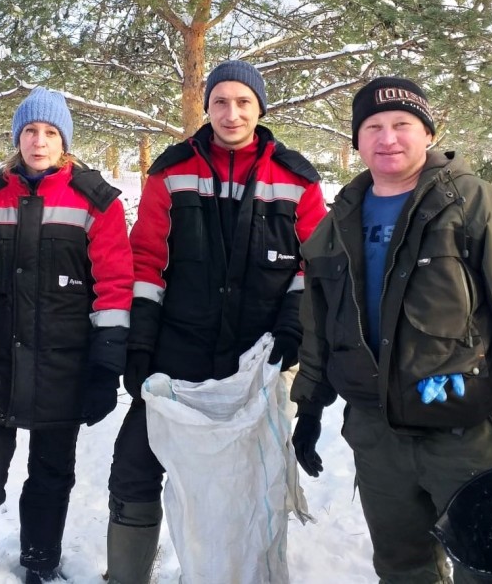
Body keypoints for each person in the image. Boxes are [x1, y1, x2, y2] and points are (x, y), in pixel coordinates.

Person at [290, 76, 492, 583]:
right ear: (356, 140)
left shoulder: (476, 206)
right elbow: (320, 326)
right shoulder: (336, 223)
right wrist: (310, 407)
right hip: (377, 439)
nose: (388, 139)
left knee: (490, 569)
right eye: (373, 127)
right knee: (403, 570)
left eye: (402, 124)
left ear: (427, 132)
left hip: (465, 434)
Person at [106, 60, 328, 584]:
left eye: (243, 101)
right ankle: (126, 575)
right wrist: (139, 343)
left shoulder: (296, 179)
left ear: (260, 108)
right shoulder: (172, 170)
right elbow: (147, 263)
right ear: (206, 106)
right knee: (134, 466)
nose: (232, 113)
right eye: (221, 101)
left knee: (246, 480)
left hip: (257, 358)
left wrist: (293, 328)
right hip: (176, 352)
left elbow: (313, 266)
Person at [0, 87, 134, 584]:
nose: (39, 141)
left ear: (64, 141)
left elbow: (114, 286)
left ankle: (40, 563)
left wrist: (106, 363)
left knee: (50, 477)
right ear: (17, 137)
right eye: (30, 131)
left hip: (62, 368)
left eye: (51, 132)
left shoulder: (96, 203)